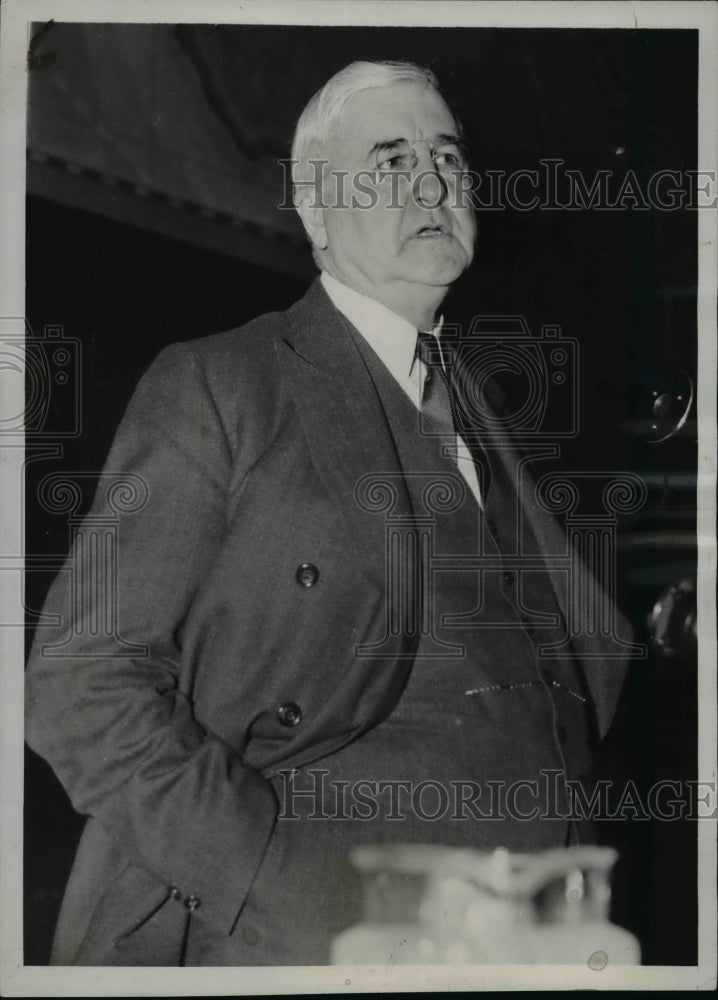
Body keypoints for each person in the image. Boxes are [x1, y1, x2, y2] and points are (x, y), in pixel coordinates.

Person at [25, 60, 631, 967]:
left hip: (536, 933)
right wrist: (266, 875)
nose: (431, 182)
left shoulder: (489, 404)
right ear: (314, 207)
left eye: (448, 159)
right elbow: (78, 682)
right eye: (390, 160)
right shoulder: (223, 385)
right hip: (327, 943)